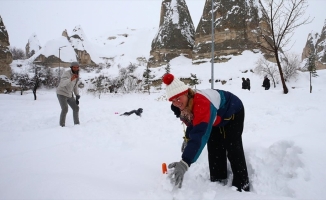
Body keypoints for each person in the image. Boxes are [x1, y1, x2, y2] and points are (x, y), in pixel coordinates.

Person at [163, 73, 250, 192]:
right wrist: (187, 139)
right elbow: (193, 124)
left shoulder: (201, 104)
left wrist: (184, 163)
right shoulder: (185, 106)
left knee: (232, 146)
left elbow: (199, 135)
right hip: (214, 118)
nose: (177, 103)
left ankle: (242, 184)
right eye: (173, 101)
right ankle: (218, 181)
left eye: (178, 98)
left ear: (186, 93)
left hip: (232, 111)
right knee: (214, 146)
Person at [56, 61, 80, 127]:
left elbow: (75, 86)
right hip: (61, 93)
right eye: (74, 67)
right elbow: (62, 84)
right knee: (65, 109)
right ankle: (62, 125)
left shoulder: (77, 75)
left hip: (69, 94)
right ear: (71, 67)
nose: (76, 68)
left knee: (76, 108)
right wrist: (71, 79)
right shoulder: (66, 74)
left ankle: (77, 124)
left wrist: (77, 95)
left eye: (77, 67)